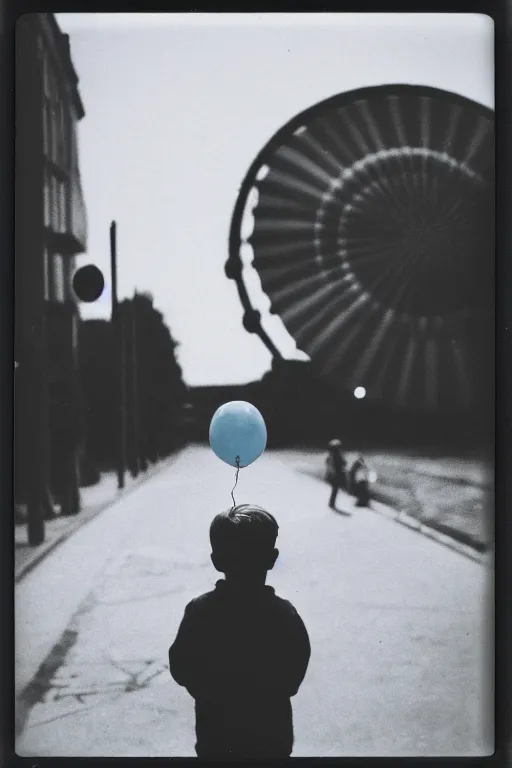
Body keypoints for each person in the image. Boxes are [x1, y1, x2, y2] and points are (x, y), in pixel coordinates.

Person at [168, 504, 311, 758]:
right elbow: (294, 675)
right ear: (272, 558)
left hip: (216, 736)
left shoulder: (199, 612)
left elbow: (180, 667)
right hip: (271, 737)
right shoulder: (284, 615)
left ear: (216, 561)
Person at [325, 438, 347, 510]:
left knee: (335, 489)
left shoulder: (331, 455)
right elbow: (343, 463)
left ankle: (332, 503)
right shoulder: (337, 455)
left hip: (335, 474)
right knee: (335, 489)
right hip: (336, 474)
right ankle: (332, 503)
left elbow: (328, 463)